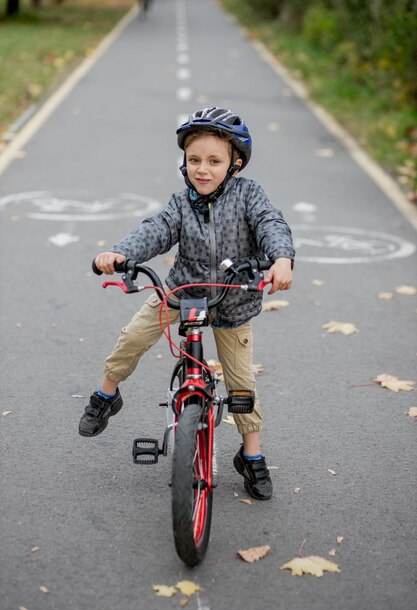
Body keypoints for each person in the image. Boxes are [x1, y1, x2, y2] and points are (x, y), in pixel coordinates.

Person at [79, 106, 295, 500]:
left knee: (242, 385)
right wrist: (118, 253)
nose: (202, 169)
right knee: (132, 338)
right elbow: (155, 231)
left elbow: (271, 223)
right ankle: (106, 395)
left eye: (214, 161)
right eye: (194, 160)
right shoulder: (181, 204)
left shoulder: (249, 196)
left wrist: (281, 257)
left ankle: (251, 455)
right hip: (183, 291)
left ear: (235, 163)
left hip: (234, 299)